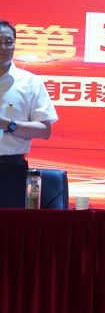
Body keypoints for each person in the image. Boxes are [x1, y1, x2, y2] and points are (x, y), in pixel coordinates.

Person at [0, 19, 59, 206]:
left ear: (15, 44)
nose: (3, 47)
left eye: (8, 42)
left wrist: (8, 125)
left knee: (10, 222)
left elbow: (44, 130)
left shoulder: (30, 82)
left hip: (10, 169)